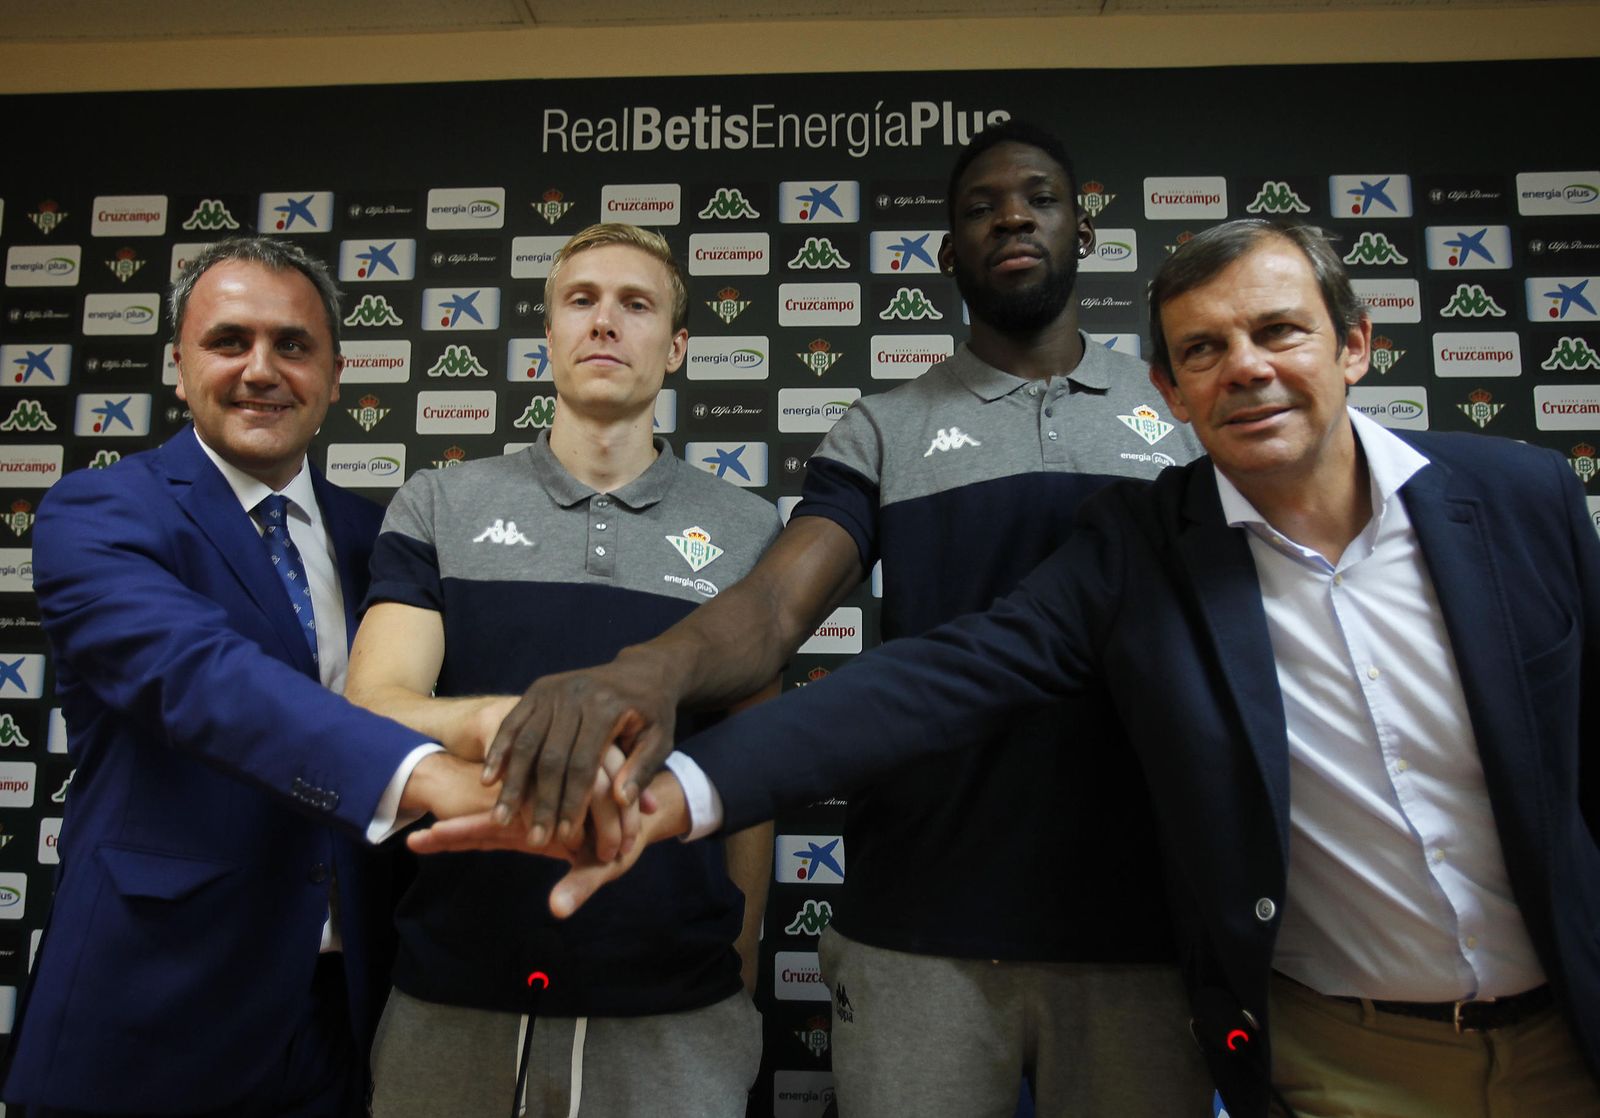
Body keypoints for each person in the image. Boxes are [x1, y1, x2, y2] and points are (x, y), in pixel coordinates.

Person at [424, 218, 1600, 1118]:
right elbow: (928, 677)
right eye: (1202, 349)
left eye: (1278, 331)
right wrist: (676, 788)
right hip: (1334, 1057)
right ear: (1168, 393)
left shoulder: (1523, 499)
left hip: (1571, 1028)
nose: (1244, 367)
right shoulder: (1144, 546)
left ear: (1354, 343)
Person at [478, 119, 1211, 1116]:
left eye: (1038, 198)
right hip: (920, 927)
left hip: (1145, 927)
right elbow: (774, 605)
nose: (1011, 218)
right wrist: (654, 668)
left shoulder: (1181, 408)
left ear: (1082, 228)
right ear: (946, 251)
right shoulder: (882, 428)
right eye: (980, 207)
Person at [1, 237, 495, 1118]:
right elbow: (206, 680)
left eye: (292, 345)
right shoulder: (97, 512)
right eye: (229, 341)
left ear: (336, 376)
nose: (261, 370)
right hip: (153, 1010)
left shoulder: (381, 540)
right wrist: (425, 773)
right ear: (179, 367)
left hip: (345, 1019)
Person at [344, 223, 781, 1117]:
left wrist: (740, 950)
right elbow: (372, 705)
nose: (604, 322)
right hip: (454, 992)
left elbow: (755, 767)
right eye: (581, 301)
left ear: (677, 346)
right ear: (548, 336)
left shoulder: (748, 529)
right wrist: (502, 721)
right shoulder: (440, 502)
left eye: (636, 304)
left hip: (676, 1009)